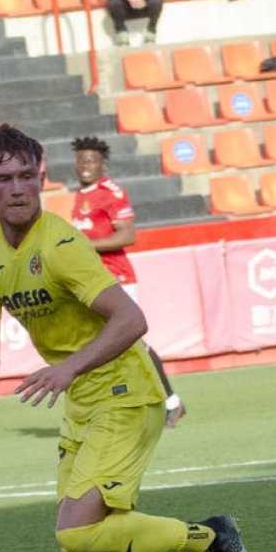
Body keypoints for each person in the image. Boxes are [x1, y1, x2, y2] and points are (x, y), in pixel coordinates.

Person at [0, 124, 260, 552]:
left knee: (77, 533)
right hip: (82, 401)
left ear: (42, 179)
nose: (15, 187)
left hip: (126, 390)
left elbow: (132, 320)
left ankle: (209, 538)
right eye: (4, 177)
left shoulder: (61, 245)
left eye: (26, 176)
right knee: (81, 549)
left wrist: (69, 366)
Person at [68, 135, 187, 428]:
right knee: (103, 344)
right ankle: (126, 406)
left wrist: (82, 246)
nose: (85, 165)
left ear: (102, 163)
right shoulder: (81, 195)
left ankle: (170, 402)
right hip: (93, 280)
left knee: (129, 342)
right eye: (81, 159)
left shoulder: (112, 193)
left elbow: (127, 235)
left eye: (92, 160)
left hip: (116, 277)